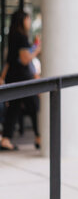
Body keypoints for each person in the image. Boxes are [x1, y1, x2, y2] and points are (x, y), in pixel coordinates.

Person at [0, 10, 41, 151]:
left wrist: (2, 77)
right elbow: (25, 60)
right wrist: (37, 49)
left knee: (14, 109)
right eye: (28, 19)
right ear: (22, 21)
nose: (29, 22)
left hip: (13, 77)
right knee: (35, 106)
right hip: (22, 79)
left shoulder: (12, 37)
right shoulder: (21, 38)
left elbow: (9, 61)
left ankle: (6, 139)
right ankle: (39, 136)